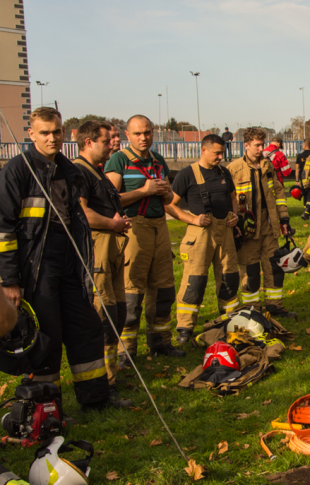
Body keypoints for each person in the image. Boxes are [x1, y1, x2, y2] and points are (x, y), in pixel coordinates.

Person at [0, 107, 120, 411]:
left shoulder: (70, 170)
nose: (52, 138)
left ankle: (96, 399)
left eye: (56, 132)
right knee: (48, 335)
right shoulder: (18, 170)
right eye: (44, 133)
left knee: (87, 327)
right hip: (36, 266)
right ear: (31, 134)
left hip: (71, 262)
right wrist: (10, 281)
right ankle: (47, 405)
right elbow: (3, 228)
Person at [105, 115, 185, 364]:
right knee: (131, 291)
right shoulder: (118, 160)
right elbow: (111, 199)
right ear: (128, 135)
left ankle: (160, 343)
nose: (143, 138)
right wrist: (144, 190)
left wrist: (165, 192)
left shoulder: (158, 160)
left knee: (163, 288)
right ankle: (126, 350)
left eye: (147, 132)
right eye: (138, 133)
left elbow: (170, 198)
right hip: (133, 228)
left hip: (159, 227)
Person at [74, 120, 133, 402]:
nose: (113, 143)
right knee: (104, 318)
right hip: (96, 253)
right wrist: (112, 224)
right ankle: (102, 385)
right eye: (107, 139)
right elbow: (81, 212)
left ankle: (110, 379)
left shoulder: (98, 172)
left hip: (113, 252)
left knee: (118, 313)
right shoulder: (78, 172)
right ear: (88, 142)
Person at [170, 134, 240, 344]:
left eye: (222, 152)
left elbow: (233, 198)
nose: (221, 157)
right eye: (217, 153)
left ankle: (229, 320)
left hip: (224, 232)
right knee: (195, 281)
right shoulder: (187, 174)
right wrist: (191, 219)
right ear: (204, 150)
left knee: (229, 277)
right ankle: (185, 327)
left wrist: (235, 215)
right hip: (199, 234)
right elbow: (170, 204)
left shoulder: (224, 172)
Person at [228, 128, 294, 317]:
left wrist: (284, 219)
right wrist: (234, 224)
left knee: (274, 266)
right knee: (250, 269)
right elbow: (228, 199)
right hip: (247, 228)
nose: (261, 149)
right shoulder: (234, 169)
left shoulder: (267, 166)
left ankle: (275, 306)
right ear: (246, 145)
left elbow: (279, 193)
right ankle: (252, 309)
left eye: (262, 144)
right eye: (257, 145)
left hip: (269, 225)